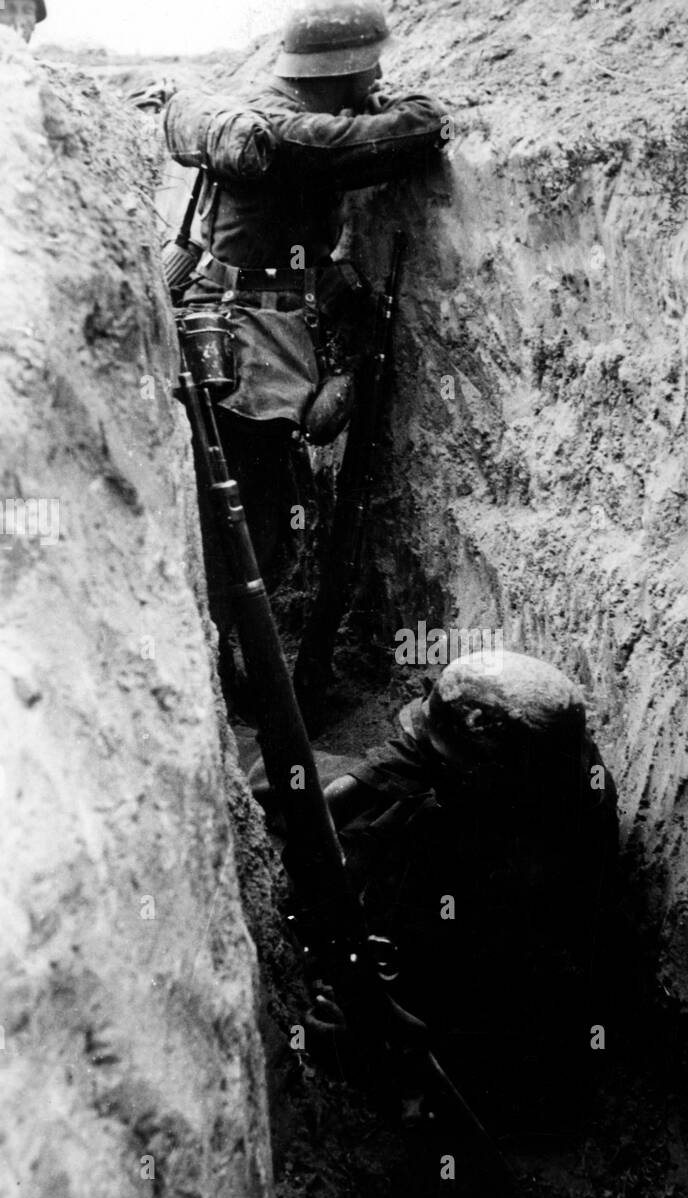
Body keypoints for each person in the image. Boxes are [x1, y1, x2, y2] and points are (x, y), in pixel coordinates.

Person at [163, 1, 449, 695]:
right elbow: (414, 129)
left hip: (257, 333)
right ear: (346, 67)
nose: (379, 73)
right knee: (247, 511)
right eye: (369, 64)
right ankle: (232, 666)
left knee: (256, 506)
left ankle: (236, 657)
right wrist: (391, 104)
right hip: (248, 345)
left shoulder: (272, 111)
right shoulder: (286, 133)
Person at [317, 650, 620, 1126]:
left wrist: (369, 1036)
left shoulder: (540, 872)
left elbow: (500, 1019)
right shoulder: (527, 756)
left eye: (448, 770)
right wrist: (341, 796)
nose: (431, 761)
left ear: (490, 783)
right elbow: (422, 754)